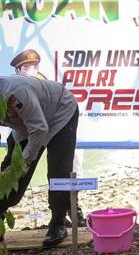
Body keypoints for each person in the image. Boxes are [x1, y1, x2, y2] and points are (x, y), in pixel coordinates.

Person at [0, 75, 79, 247]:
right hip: (25, 124)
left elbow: (39, 130)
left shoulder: (17, 93)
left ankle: (58, 222)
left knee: (59, 170)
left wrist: (24, 162)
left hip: (60, 113)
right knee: (6, 173)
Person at [9, 49, 85, 226]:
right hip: (27, 129)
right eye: (26, 67)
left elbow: (41, 127)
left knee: (63, 170)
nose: (31, 70)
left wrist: (26, 159)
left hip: (57, 124)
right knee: (10, 167)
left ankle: (66, 213)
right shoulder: (12, 89)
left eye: (34, 66)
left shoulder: (44, 85)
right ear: (18, 71)